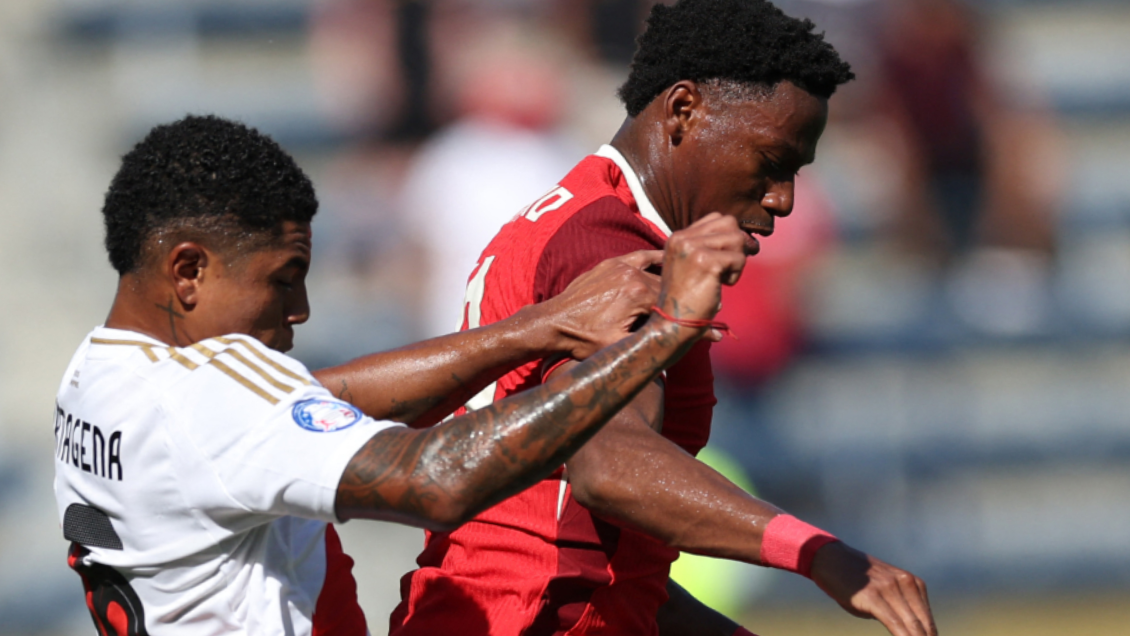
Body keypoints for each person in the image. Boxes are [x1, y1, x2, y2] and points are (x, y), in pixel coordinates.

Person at [52, 114, 754, 635]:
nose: (299, 310)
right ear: (188, 270)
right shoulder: (207, 394)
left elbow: (331, 397)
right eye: (283, 278)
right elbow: (437, 482)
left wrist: (538, 328)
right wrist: (662, 335)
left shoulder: (101, 374)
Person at [389, 1, 937, 636]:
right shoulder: (612, 250)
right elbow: (609, 467)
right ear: (683, 110)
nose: (783, 198)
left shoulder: (594, 216)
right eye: (771, 161)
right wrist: (818, 552)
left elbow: (604, 561)